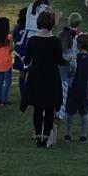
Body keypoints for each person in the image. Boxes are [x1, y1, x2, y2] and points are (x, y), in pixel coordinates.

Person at [21, 10, 63, 147]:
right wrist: (68, 60)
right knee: (49, 108)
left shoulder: (33, 40)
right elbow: (59, 60)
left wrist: (23, 58)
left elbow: (27, 60)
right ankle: (46, 136)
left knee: (38, 108)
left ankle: (38, 135)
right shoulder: (56, 42)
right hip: (51, 76)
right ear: (52, 24)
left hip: (36, 76)